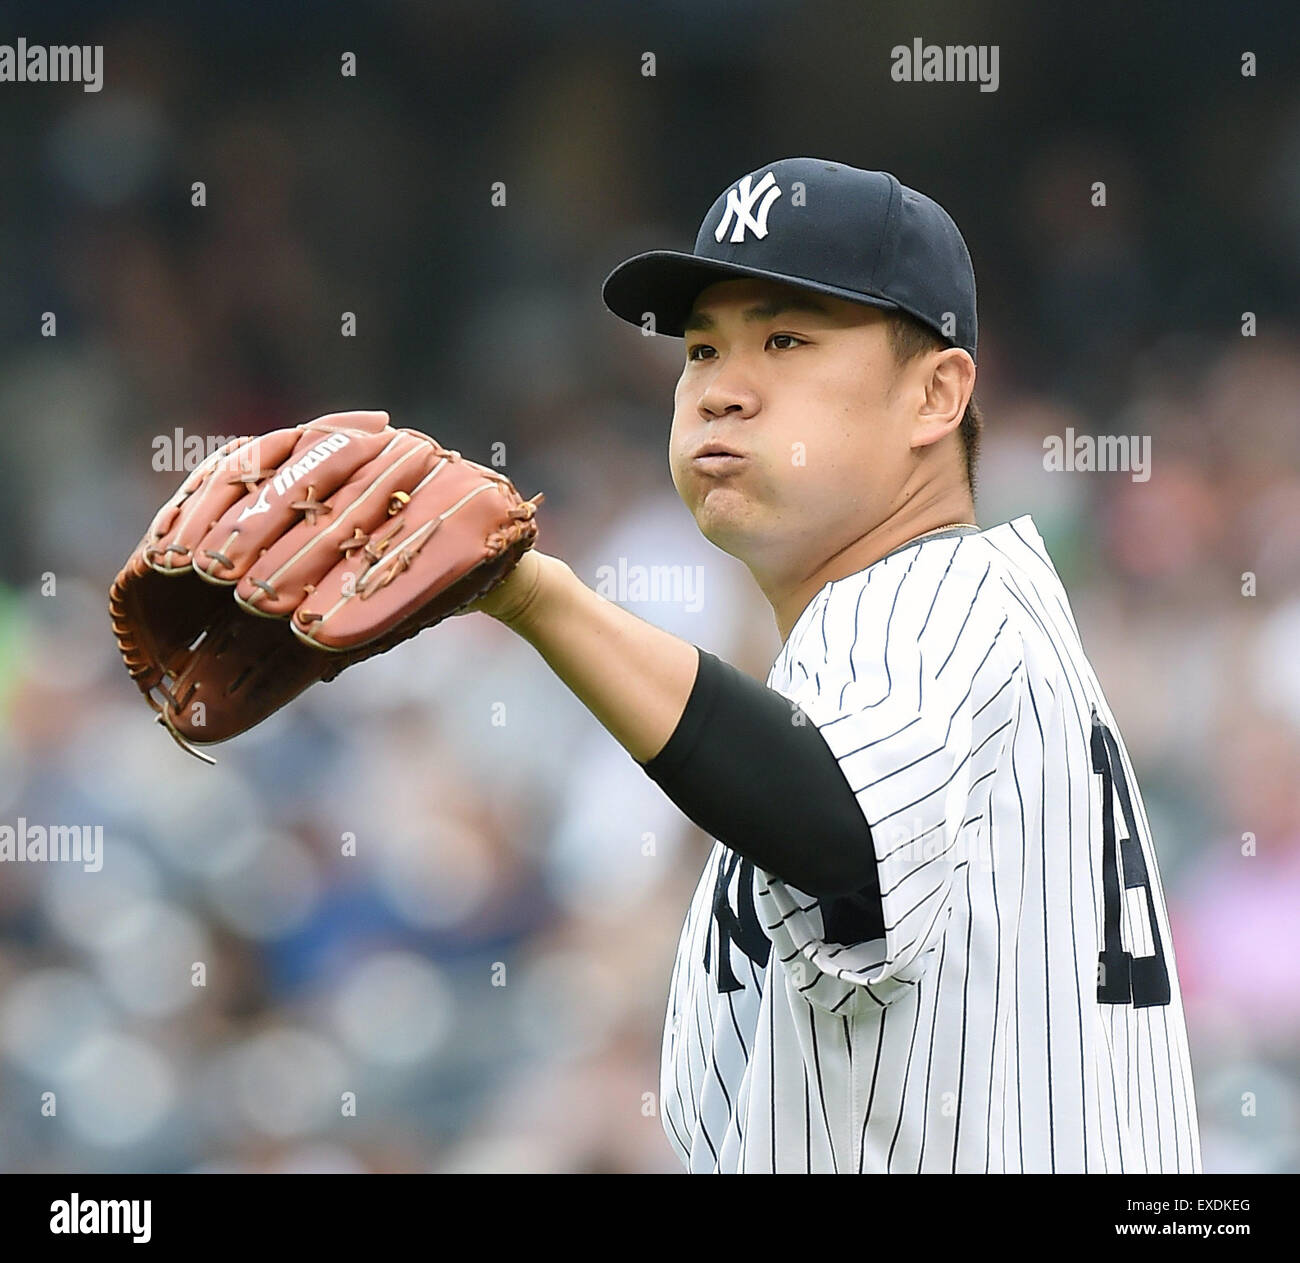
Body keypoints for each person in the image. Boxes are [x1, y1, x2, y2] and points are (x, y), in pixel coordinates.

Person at [466, 157, 1202, 1174]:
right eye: (699, 348)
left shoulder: (929, 596)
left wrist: (536, 598)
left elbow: (837, 828)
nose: (719, 389)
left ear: (934, 396)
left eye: (783, 340)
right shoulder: (929, 633)